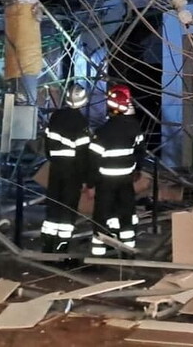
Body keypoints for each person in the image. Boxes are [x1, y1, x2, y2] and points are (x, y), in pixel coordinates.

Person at [88, 84, 145, 256]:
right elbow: (140, 152)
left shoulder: (103, 132)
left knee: (102, 215)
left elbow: (93, 160)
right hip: (126, 179)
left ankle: (99, 253)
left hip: (105, 181)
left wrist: (90, 183)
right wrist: (137, 170)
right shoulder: (134, 128)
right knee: (126, 214)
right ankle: (128, 250)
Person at [41, 83, 91, 253]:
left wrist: (53, 158)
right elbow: (83, 154)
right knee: (67, 209)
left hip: (56, 167)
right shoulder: (81, 122)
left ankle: (47, 246)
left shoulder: (56, 116)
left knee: (53, 206)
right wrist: (85, 179)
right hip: (72, 171)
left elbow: (47, 143)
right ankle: (61, 248)